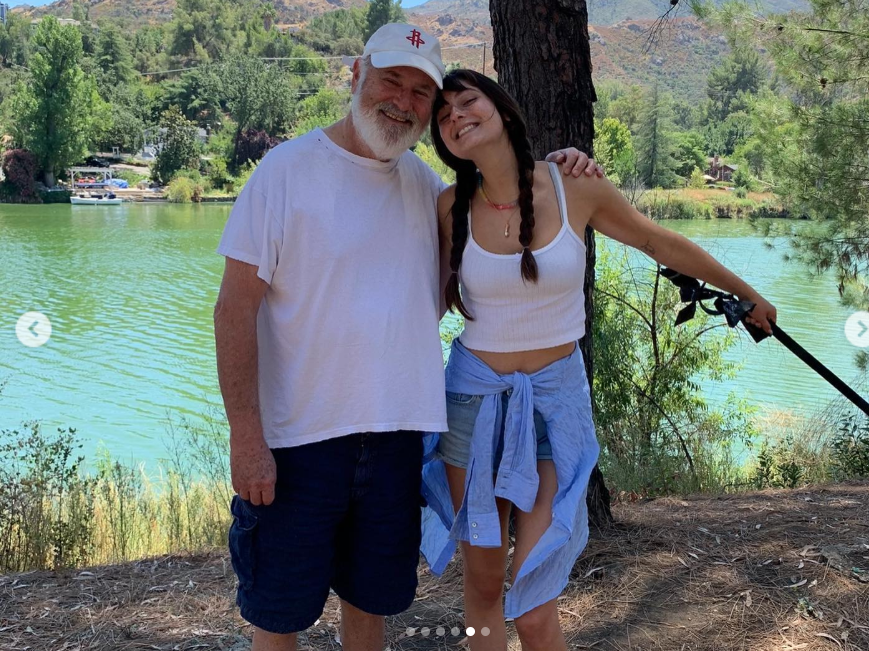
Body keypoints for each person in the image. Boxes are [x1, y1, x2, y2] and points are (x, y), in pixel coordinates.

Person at [213, 25, 600, 651]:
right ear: (357, 73)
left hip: (397, 440)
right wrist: (246, 436)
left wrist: (559, 170)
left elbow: (492, 261)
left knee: (373, 606)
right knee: (278, 614)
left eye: (423, 91)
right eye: (392, 80)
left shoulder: (428, 191)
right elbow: (233, 310)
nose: (404, 100)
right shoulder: (285, 171)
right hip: (297, 444)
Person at [420, 69, 779, 651]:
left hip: (555, 404)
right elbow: (425, 308)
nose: (457, 116)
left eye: (468, 102)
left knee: (535, 604)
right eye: (443, 116)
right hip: (473, 403)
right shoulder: (447, 207)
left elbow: (658, 242)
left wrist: (748, 293)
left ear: (503, 110)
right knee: (483, 590)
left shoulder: (573, 187)